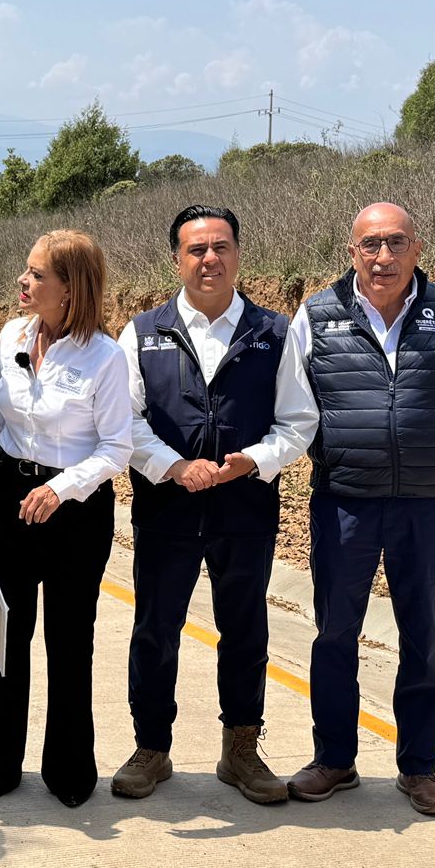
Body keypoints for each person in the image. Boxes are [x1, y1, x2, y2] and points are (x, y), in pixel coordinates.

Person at [111, 205, 317, 804]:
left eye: (221, 247)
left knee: (246, 629)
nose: (210, 259)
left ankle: (241, 749)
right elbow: (124, 420)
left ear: (238, 254)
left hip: (244, 507)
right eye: (197, 249)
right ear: (177, 259)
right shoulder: (142, 333)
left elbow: (298, 421)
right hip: (166, 509)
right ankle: (151, 747)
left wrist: (252, 460)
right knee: (156, 630)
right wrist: (175, 467)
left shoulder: (274, 332)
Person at [284, 202, 435, 816]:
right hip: (344, 500)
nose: (383, 256)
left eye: (396, 242)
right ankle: (334, 760)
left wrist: (417, 446)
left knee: (423, 635)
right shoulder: (317, 315)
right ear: (352, 252)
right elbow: (299, 406)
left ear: (417, 248)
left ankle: (419, 768)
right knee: (335, 633)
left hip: (427, 502)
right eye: (370, 244)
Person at [0, 230, 132, 806]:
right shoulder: (12, 334)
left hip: (76, 511)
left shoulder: (105, 357)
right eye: (26, 270)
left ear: (70, 288)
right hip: (9, 497)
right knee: (6, 633)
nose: (23, 281)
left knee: (69, 638)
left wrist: (60, 489)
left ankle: (69, 771)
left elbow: (116, 449)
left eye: (36, 274)